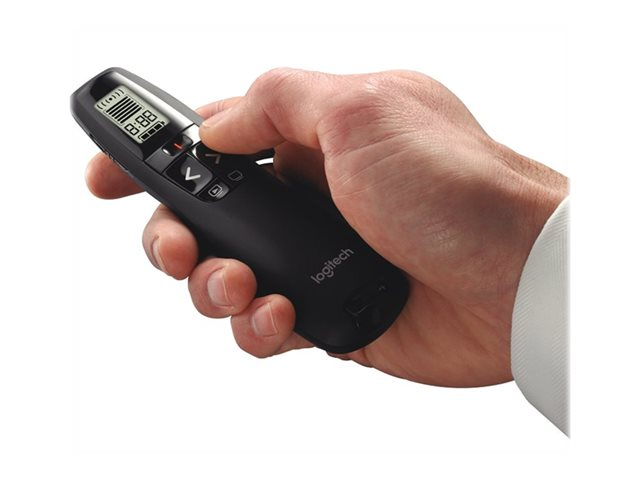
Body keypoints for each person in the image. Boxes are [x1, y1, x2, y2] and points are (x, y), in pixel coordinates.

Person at [84, 68, 569, 434]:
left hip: (392, 280)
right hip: (423, 296)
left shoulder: (313, 138)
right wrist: (520, 272)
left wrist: (519, 257)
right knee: (211, 245)